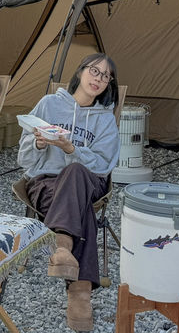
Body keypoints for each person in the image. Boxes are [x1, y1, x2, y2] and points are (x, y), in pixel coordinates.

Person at [17, 53, 120, 331]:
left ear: (109, 84)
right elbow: (24, 161)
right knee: (80, 206)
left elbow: (104, 164)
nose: (98, 78)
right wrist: (39, 145)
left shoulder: (105, 120)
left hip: (89, 181)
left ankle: (63, 246)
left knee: (75, 173)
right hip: (46, 183)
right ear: (80, 72)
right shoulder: (49, 105)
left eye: (105, 75)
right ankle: (80, 293)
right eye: (94, 71)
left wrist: (71, 149)